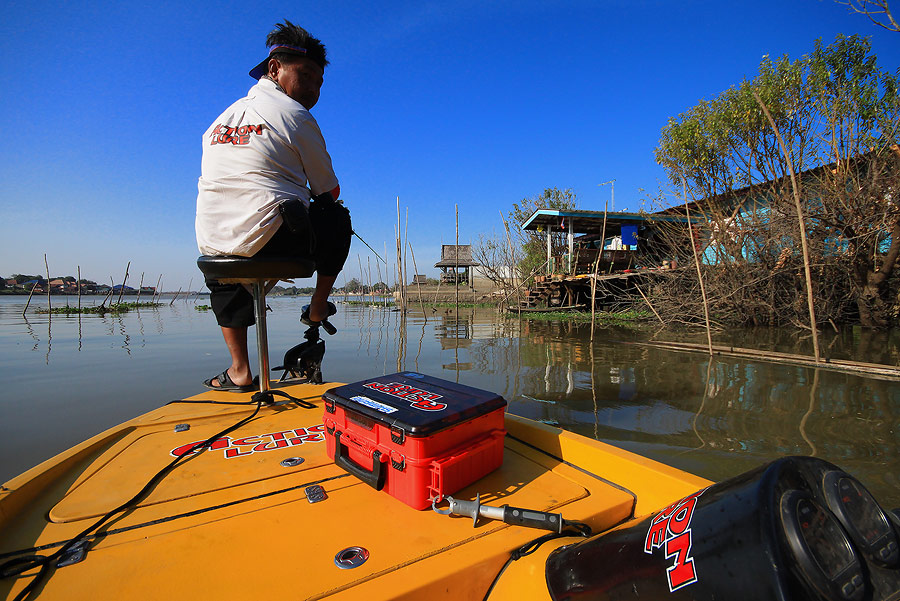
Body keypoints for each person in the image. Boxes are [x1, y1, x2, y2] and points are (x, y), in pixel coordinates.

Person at [196, 20, 351, 392]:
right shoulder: (296, 116)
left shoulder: (221, 119)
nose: (314, 88)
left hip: (212, 248)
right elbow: (329, 191)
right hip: (275, 240)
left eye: (319, 82)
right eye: (307, 76)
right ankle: (316, 307)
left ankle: (239, 371)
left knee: (229, 240)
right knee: (337, 217)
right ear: (274, 69)